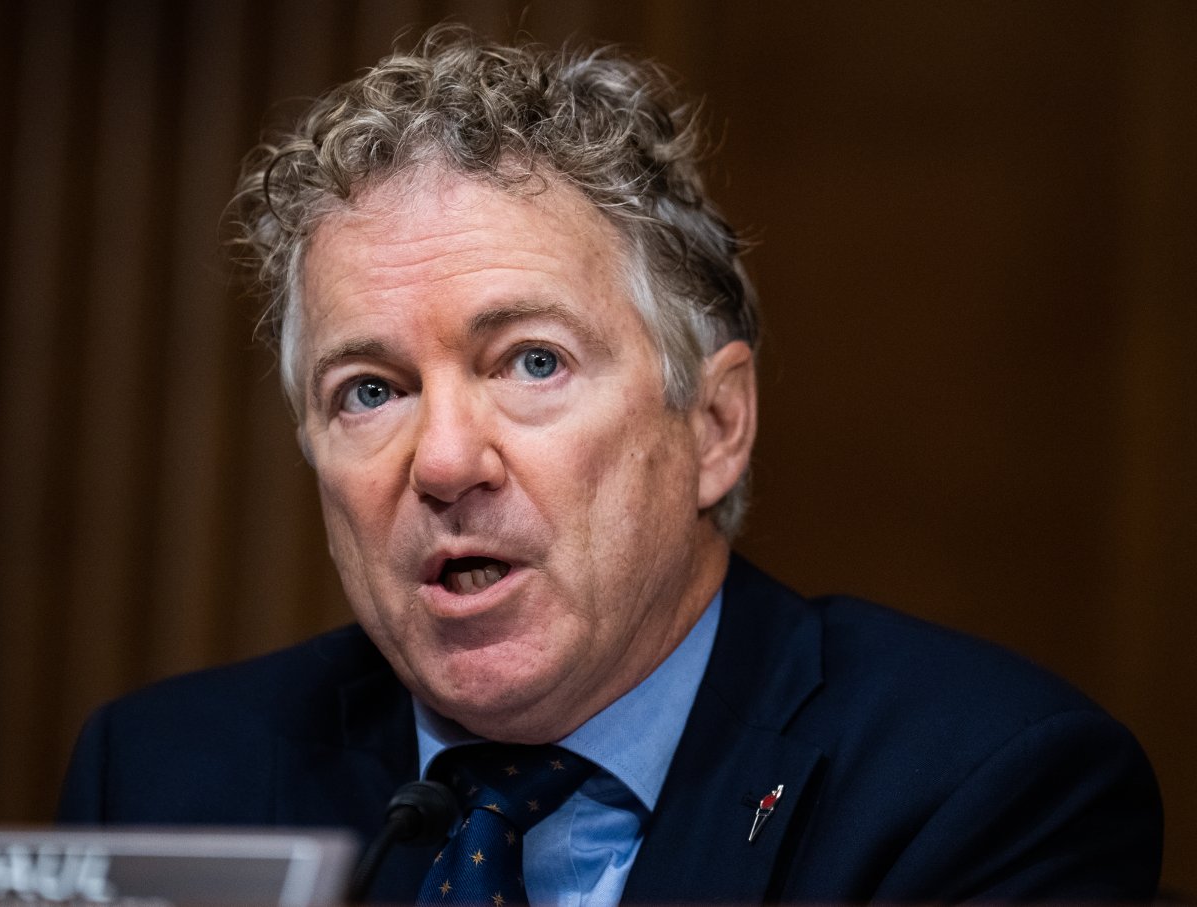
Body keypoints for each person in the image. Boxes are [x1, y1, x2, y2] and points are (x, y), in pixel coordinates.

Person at [58, 26, 1162, 903]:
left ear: (716, 425)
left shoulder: (976, 789)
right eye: (371, 391)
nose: (443, 460)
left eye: (532, 362)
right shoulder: (166, 781)